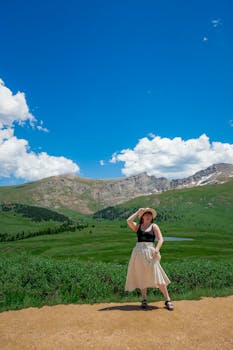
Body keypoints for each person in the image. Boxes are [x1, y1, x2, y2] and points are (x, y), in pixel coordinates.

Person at [124, 207, 174, 310]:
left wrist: (156, 250)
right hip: (138, 253)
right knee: (141, 275)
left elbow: (161, 239)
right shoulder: (138, 226)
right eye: (146, 214)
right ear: (142, 216)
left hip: (151, 252)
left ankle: (168, 300)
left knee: (158, 274)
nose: (148, 215)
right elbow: (128, 221)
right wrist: (138, 211)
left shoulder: (154, 226)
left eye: (150, 214)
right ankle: (144, 300)